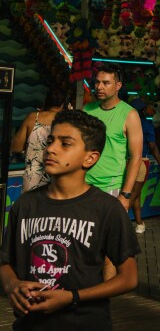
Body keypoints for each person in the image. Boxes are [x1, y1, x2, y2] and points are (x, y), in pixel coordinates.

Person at [0, 110, 140, 329]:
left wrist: (72, 296)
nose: (51, 149)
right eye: (50, 141)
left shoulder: (107, 209)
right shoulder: (25, 204)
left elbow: (129, 278)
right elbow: (6, 261)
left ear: (90, 157)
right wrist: (12, 285)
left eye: (65, 144)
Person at [83, 64, 143, 210]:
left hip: (110, 188)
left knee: (106, 232)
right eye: (97, 82)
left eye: (106, 83)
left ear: (118, 86)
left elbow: (136, 158)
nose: (99, 87)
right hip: (83, 184)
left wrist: (126, 194)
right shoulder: (87, 109)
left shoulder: (130, 114)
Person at [11, 88, 69, 192]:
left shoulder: (33, 118)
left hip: (32, 177)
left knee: (31, 207)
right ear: (63, 104)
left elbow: (16, 147)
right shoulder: (66, 120)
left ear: (46, 101)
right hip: (57, 176)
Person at [130, 99, 160, 234]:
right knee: (133, 195)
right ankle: (118, 222)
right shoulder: (146, 124)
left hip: (126, 162)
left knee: (135, 194)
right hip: (140, 162)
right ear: (144, 111)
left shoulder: (126, 123)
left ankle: (139, 223)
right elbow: (152, 146)